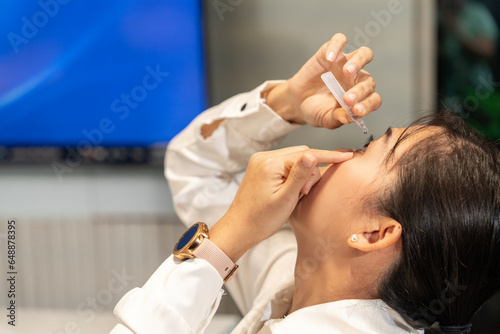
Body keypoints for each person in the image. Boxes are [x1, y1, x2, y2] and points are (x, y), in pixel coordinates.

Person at [110, 34, 500, 334]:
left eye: (366, 148)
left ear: (374, 233)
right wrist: (287, 103)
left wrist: (224, 244)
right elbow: (195, 167)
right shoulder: (295, 282)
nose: (344, 150)